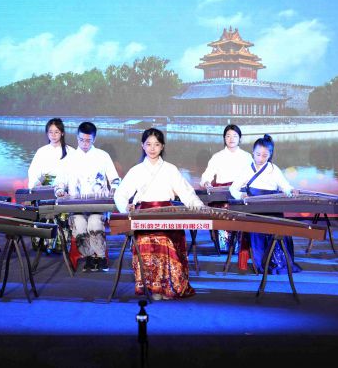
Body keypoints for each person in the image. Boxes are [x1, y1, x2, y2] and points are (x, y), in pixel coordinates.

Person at [113, 128, 204, 300]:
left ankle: (169, 286)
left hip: (167, 214)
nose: (152, 148)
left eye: (156, 144)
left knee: (166, 239)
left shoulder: (170, 169)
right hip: (144, 215)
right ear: (142, 146)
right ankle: (152, 288)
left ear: (162, 146)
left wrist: (198, 206)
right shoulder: (136, 170)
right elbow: (120, 194)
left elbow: (186, 193)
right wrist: (126, 207)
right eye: (148, 144)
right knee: (145, 241)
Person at [54, 121, 120, 272]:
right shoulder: (69, 158)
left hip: (98, 205)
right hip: (76, 206)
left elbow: (115, 179)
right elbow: (59, 182)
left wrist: (114, 189)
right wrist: (60, 191)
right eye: (81, 140)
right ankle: (89, 256)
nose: (84, 143)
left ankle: (101, 257)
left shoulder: (103, 156)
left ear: (94, 139)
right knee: (80, 225)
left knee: (94, 223)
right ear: (77, 138)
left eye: (88, 140)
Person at [229, 134, 299, 275]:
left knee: (279, 229)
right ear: (253, 153)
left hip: (272, 208)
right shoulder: (247, 169)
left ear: (270, 154)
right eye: (258, 154)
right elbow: (233, 188)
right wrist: (241, 195)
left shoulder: (273, 169)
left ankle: (278, 263)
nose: (261, 158)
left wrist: (291, 190)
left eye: (265, 155)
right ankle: (262, 263)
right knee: (257, 232)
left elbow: (285, 186)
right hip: (254, 210)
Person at [199, 124, 252, 249]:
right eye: (228, 136)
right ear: (224, 138)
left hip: (240, 193)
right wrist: (207, 183)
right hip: (221, 194)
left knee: (241, 209)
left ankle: (240, 245)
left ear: (240, 138)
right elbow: (206, 176)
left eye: (235, 136)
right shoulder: (217, 156)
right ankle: (224, 245)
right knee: (223, 208)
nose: (231, 139)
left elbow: (252, 176)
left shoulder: (247, 156)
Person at [26, 118, 73, 189]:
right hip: (44, 189)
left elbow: (73, 174)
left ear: (62, 133)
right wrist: (37, 183)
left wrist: (60, 183)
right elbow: (33, 172)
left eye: (56, 132)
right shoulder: (41, 151)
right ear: (47, 133)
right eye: (50, 132)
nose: (53, 135)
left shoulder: (71, 151)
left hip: (66, 189)